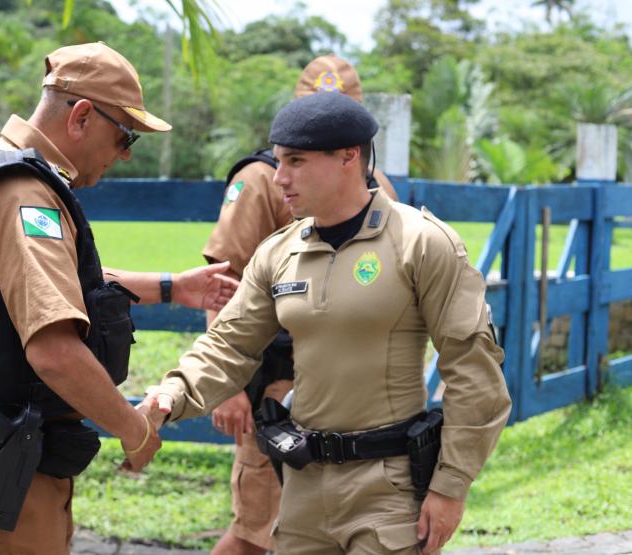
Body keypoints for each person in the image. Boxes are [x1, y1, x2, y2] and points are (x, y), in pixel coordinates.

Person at [142, 92, 511, 554]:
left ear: (348, 157)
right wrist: (170, 394)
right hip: (303, 486)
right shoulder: (278, 252)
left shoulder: (420, 242)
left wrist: (450, 485)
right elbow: (230, 346)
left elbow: (472, 368)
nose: (279, 178)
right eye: (278, 161)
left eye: (295, 161)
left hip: (389, 488)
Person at [0, 42, 238, 555]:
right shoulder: (24, 193)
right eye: (124, 134)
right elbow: (55, 352)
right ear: (82, 116)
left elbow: (41, 283)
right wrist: (134, 429)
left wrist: (173, 287)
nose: (125, 151)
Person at [204, 55, 399, 555]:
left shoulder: (379, 188)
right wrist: (227, 387)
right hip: (278, 387)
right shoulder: (260, 180)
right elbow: (222, 281)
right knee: (258, 529)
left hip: (356, 397)